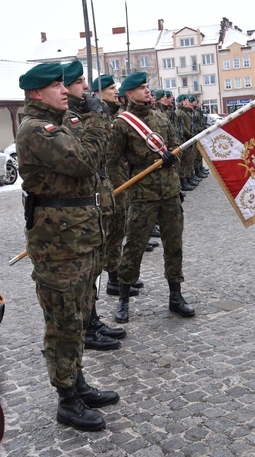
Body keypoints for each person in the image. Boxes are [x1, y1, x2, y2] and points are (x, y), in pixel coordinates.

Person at [16, 63, 119, 432]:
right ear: (35, 94)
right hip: (57, 247)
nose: (64, 90)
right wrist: (96, 120)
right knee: (62, 322)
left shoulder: (66, 123)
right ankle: (66, 400)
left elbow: (100, 156)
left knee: (77, 317)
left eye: (64, 83)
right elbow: (85, 161)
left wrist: (90, 122)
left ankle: (77, 383)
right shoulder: (36, 131)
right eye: (55, 85)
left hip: (80, 238)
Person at [108, 71, 195, 323]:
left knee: (174, 244)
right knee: (134, 246)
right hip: (141, 195)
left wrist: (171, 157)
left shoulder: (160, 117)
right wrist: (122, 189)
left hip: (169, 191)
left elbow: (177, 147)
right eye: (141, 88)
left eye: (147, 87)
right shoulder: (122, 124)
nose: (147, 91)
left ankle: (175, 296)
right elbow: (112, 162)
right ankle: (123, 299)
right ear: (129, 94)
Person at [61, 61, 126, 351]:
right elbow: (91, 157)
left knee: (94, 265)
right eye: (79, 83)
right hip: (78, 207)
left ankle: (93, 320)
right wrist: (97, 117)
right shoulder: (65, 119)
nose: (86, 88)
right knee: (87, 269)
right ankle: (88, 326)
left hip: (95, 197)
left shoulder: (81, 114)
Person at [91, 74, 147, 294]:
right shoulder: (97, 116)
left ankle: (116, 275)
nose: (117, 91)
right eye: (111, 88)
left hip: (119, 180)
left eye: (116, 88)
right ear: (98, 93)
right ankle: (112, 279)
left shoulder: (113, 115)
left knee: (119, 229)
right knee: (110, 231)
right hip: (107, 185)